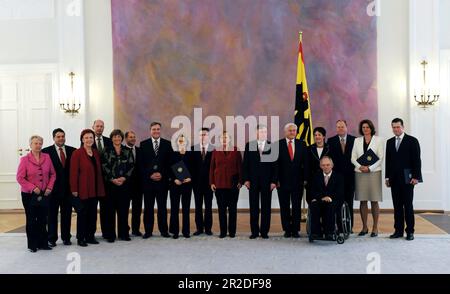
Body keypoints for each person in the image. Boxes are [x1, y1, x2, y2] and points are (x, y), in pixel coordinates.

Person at [17, 135, 56, 252]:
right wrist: (32, 188)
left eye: (40, 143)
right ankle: (33, 245)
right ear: (30, 145)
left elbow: (53, 174)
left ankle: (43, 243)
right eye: (35, 143)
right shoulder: (24, 159)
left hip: (44, 194)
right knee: (31, 220)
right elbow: (20, 178)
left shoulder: (47, 157)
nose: (38, 145)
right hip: (29, 195)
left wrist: (49, 187)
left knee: (43, 219)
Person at [385, 118, 422, 241]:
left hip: (408, 179)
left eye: (398, 127)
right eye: (394, 127)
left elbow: (417, 160)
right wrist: (387, 177)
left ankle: (410, 231)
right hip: (394, 179)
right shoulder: (389, 142)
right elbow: (388, 162)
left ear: (403, 127)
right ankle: (398, 231)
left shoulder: (412, 141)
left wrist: (416, 177)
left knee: (408, 206)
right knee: (397, 206)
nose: (396, 129)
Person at [70, 129, 106, 247]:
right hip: (83, 189)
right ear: (82, 139)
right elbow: (73, 173)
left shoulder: (95, 152)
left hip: (95, 189)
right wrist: (74, 189)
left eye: (91, 137)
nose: (89, 140)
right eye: (86, 138)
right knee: (82, 214)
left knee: (93, 214)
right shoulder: (77, 153)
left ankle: (90, 236)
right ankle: (81, 238)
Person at [42, 128, 76, 247]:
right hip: (52, 190)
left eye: (63, 136)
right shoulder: (46, 152)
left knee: (67, 214)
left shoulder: (72, 151)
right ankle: (52, 238)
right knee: (52, 215)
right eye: (58, 136)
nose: (61, 138)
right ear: (53, 138)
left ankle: (66, 237)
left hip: (68, 190)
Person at [139, 122, 173, 238]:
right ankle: (148, 231)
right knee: (148, 208)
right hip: (148, 183)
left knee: (162, 207)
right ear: (150, 130)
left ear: (160, 130)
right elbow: (141, 164)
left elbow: (170, 163)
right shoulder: (143, 144)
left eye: (158, 129)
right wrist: (150, 175)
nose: (156, 131)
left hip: (162, 182)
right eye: (154, 129)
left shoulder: (167, 144)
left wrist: (162, 174)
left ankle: (164, 230)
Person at [243, 124, 277, 239]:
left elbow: (275, 166)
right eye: (261, 131)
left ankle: (264, 232)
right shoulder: (250, 145)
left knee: (266, 207)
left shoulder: (271, 146)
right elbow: (245, 164)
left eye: (265, 131)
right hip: (252, 182)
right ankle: (254, 232)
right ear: (256, 133)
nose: (263, 133)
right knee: (253, 207)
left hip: (267, 182)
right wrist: (246, 179)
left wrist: (273, 181)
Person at [351, 119, 384, 237]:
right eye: (363, 127)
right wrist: (360, 167)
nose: (365, 129)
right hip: (360, 173)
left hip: (374, 172)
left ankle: (375, 227)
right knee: (363, 200)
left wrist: (369, 168)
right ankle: (364, 227)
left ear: (371, 128)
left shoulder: (379, 140)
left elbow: (381, 158)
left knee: (374, 200)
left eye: (367, 127)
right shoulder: (357, 140)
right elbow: (353, 157)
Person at [275, 123, 308, 238]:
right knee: (284, 206)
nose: (292, 132)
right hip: (282, 182)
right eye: (290, 130)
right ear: (285, 132)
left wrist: (305, 179)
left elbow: (306, 164)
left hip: (298, 182)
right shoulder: (277, 145)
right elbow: (275, 165)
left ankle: (295, 230)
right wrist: (276, 180)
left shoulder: (302, 144)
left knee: (296, 206)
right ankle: (287, 229)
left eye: (294, 130)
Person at [101, 129, 135, 242]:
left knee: (123, 210)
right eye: (115, 137)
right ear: (111, 138)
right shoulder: (106, 150)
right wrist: (112, 179)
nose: (117, 138)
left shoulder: (127, 150)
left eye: (119, 137)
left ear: (122, 138)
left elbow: (131, 165)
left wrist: (124, 177)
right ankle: (110, 235)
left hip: (124, 185)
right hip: (110, 185)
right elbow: (104, 166)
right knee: (110, 211)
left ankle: (123, 234)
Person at [210, 131, 242, 238]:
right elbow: (212, 168)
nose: (224, 139)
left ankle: (232, 232)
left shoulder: (236, 150)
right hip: (219, 185)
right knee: (221, 210)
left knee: (232, 209)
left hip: (233, 185)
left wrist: (240, 181)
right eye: (222, 138)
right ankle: (223, 232)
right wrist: (212, 182)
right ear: (219, 140)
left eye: (226, 137)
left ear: (230, 139)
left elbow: (240, 167)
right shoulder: (215, 151)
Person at [328, 120, 356, 232]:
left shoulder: (355, 140)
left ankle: (349, 227)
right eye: (338, 127)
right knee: (337, 202)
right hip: (336, 179)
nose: (340, 129)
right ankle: (338, 226)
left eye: (342, 127)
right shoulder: (331, 141)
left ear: (346, 127)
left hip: (350, 177)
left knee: (349, 202)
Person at [309, 156, 344, 240]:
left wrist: (330, 198)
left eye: (328, 165)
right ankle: (316, 233)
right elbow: (313, 192)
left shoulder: (338, 177)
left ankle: (329, 232)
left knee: (330, 207)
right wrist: (322, 198)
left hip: (334, 201)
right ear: (320, 166)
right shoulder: (316, 176)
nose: (326, 167)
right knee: (314, 205)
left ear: (332, 165)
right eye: (323, 165)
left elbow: (340, 193)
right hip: (320, 200)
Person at [190, 128, 215, 236]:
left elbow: (215, 167)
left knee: (209, 206)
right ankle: (199, 228)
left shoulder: (214, 149)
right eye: (201, 135)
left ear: (208, 136)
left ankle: (208, 228)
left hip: (210, 183)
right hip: (197, 183)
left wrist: (213, 182)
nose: (203, 137)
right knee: (198, 206)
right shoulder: (192, 149)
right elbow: (190, 167)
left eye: (205, 135)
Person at [169, 134, 193, 239]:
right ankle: (175, 232)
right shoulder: (172, 154)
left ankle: (186, 231)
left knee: (186, 209)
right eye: (180, 141)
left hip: (187, 185)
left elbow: (194, 168)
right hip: (175, 185)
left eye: (183, 141)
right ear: (177, 142)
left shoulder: (191, 154)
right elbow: (168, 169)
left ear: (186, 142)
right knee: (174, 209)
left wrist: (190, 178)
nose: (182, 142)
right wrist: (174, 179)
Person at [125, 131, 143, 236]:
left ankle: (136, 230)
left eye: (134, 137)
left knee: (137, 209)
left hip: (138, 186)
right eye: (130, 137)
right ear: (126, 139)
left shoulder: (140, 151)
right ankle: (125, 230)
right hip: (126, 185)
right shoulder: (122, 151)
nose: (133, 138)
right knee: (125, 209)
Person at [306, 127, 331, 203]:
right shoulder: (308, 149)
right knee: (313, 201)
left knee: (326, 202)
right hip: (312, 179)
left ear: (323, 136)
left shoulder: (330, 148)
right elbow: (306, 165)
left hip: (326, 180)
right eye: (315, 135)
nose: (317, 137)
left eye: (319, 135)